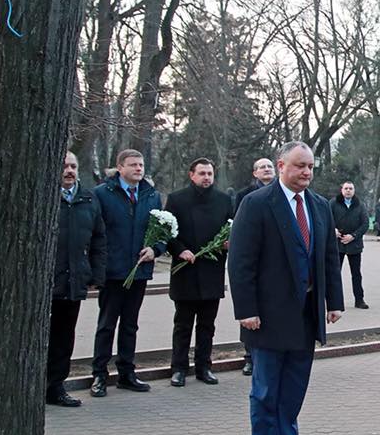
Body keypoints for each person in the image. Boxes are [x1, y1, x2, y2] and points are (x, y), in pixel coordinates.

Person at [228, 141, 344, 435]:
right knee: (265, 389)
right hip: (267, 315)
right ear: (281, 165)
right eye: (299, 166)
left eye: (310, 166)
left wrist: (334, 301)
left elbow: (328, 258)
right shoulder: (258, 204)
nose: (306, 172)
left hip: (305, 315)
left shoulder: (320, 206)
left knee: (294, 388)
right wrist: (246, 309)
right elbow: (241, 261)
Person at [90, 149, 167, 397]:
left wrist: (155, 249)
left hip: (139, 269)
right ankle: (99, 375)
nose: (138, 169)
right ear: (119, 168)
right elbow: (94, 232)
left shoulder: (151, 195)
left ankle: (126, 373)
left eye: (141, 164)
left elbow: (162, 230)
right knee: (107, 325)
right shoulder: (103, 193)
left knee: (130, 324)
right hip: (112, 271)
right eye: (133, 165)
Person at [165, 158, 234, 388]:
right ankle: (178, 369)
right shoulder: (177, 199)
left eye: (210, 174)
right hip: (185, 270)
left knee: (207, 324)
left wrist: (227, 243)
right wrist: (180, 249)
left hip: (211, 270)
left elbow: (231, 228)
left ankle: (204, 366)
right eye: (202, 173)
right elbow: (168, 233)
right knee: (183, 324)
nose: (207, 178)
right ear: (191, 175)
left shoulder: (224, 200)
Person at [47, 152, 106, 407]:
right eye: (64, 166)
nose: (69, 171)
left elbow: (99, 240)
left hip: (73, 280)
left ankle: (55, 387)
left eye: (73, 166)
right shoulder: (44, 195)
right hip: (46, 281)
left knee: (64, 336)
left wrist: (96, 274)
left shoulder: (88, 198)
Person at [234, 156, 276, 376]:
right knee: (250, 310)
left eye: (269, 166)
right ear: (255, 173)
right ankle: (249, 356)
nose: (267, 170)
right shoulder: (245, 196)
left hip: (274, 266)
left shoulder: (285, 194)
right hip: (254, 263)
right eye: (262, 167)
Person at [329, 181, 370, 309]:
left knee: (356, 274)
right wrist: (332, 230)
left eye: (350, 188)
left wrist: (353, 236)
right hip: (337, 243)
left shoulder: (360, 205)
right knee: (335, 273)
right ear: (342, 190)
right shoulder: (333, 203)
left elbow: (365, 224)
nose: (348, 191)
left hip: (354, 245)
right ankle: (333, 302)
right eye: (346, 188)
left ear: (354, 190)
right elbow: (326, 218)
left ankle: (359, 300)